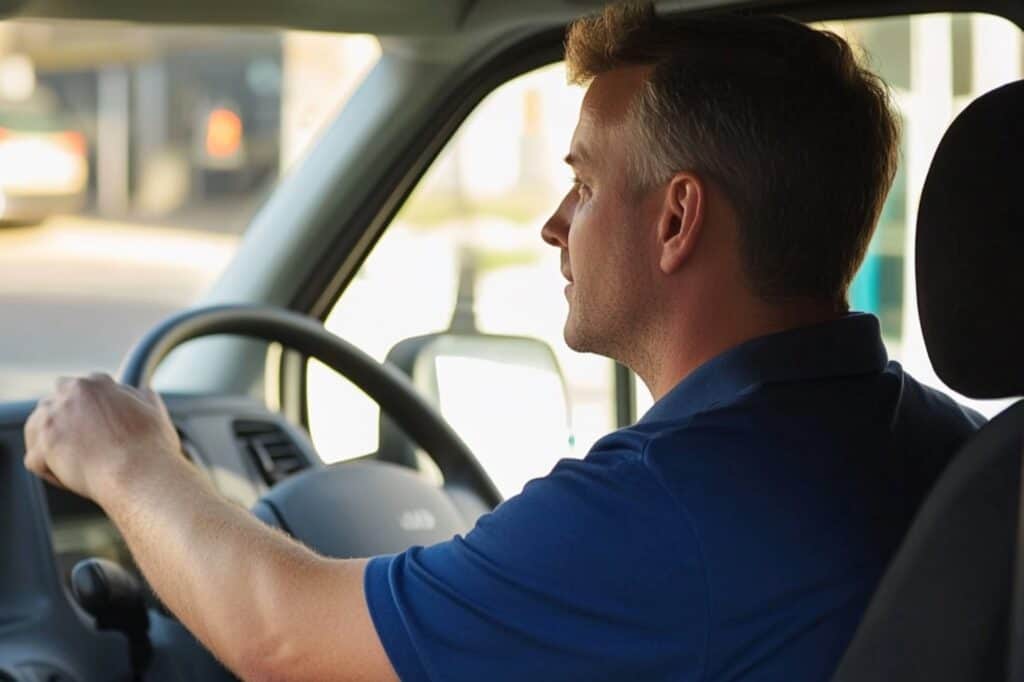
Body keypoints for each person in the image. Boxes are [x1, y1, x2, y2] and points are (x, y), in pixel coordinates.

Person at [23, 3, 983, 681]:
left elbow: (277, 641)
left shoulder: (668, 506)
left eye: (586, 182)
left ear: (677, 219)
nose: (555, 224)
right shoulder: (942, 444)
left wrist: (129, 459)